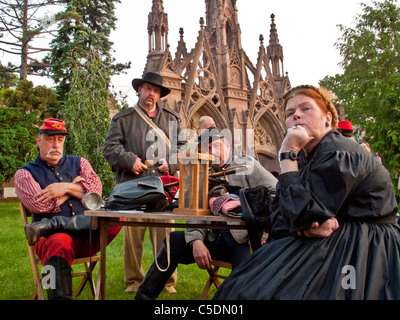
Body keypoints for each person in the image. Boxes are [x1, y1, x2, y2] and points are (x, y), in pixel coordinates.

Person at [214, 85, 400, 300]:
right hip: (331, 241)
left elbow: (300, 215)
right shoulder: (308, 155)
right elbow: (284, 217)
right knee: (242, 285)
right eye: (290, 113)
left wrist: (287, 154)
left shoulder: (340, 152)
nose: (297, 116)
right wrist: (302, 226)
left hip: (365, 247)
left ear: (327, 118)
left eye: (306, 109)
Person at [135, 127, 278, 300]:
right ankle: (143, 297)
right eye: (208, 149)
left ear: (226, 145)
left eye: (216, 146)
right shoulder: (203, 172)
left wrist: (248, 205)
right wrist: (196, 240)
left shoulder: (247, 165)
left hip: (243, 241)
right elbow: (196, 211)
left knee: (242, 283)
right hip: (212, 238)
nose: (212, 152)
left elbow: (276, 192)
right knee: (172, 243)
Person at [14, 118, 122, 300]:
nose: (56, 144)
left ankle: (55, 224)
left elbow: (95, 193)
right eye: (50, 139)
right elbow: (40, 205)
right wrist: (77, 190)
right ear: (39, 140)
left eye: (60, 140)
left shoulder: (80, 163)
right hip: (51, 241)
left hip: (87, 237)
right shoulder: (24, 174)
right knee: (60, 241)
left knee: (118, 218)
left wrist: (64, 188)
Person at [103, 72, 184, 294]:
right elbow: (109, 148)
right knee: (133, 239)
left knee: (165, 237)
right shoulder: (123, 118)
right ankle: (134, 281)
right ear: (139, 90)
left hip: (164, 188)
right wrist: (130, 161)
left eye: (156, 91)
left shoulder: (173, 119)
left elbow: (184, 148)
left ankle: (166, 282)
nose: (151, 94)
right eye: (148, 89)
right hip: (133, 186)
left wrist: (172, 162)